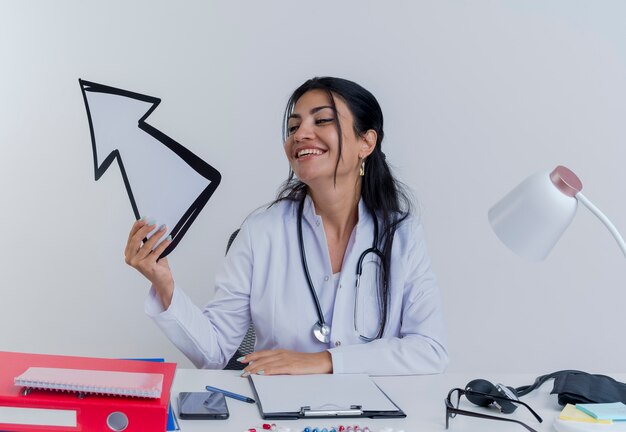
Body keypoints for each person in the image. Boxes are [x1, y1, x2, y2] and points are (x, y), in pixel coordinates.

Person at [124, 77, 448, 376]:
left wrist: (323, 361)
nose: (300, 134)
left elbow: (429, 349)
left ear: (366, 142)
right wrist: (165, 286)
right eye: (294, 126)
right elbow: (215, 352)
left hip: (373, 413)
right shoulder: (260, 232)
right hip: (278, 413)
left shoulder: (402, 234)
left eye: (321, 120)